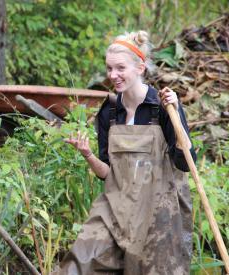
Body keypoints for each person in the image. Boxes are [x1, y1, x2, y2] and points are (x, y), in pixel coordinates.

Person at [57, 31, 196, 274]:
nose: (113, 75)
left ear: (140, 67)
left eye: (120, 68)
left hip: (159, 214)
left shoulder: (163, 107)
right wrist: (88, 154)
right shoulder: (109, 112)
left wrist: (177, 117)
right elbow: (107, 173)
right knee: (78, 265)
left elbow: (186, 164)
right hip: (116, 207)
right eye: (109, 68)